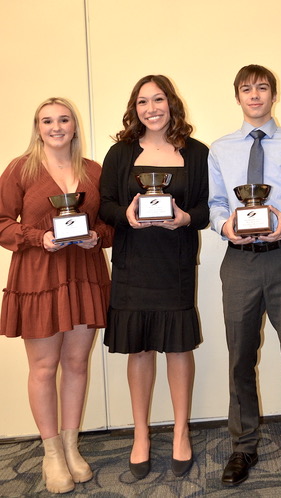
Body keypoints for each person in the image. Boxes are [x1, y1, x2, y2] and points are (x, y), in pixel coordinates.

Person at [208, 64, 281, 487]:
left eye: (262, 88)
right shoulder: (220, 149)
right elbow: (216, 203)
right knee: (239, 356)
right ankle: (243, 446)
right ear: (236, 96)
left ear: (274, 95)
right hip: (239, 263)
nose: (254, 95)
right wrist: (226, 227)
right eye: (246, 88)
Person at [0, 97, 112, 494]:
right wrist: (37, 237)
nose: (56, 127)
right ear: (37, 127)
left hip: (83, 273)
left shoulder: (94, 171)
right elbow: (0, 223)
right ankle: (51, 453)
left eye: (63, 119)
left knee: (77, 363)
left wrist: (97, 237)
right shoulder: (20, 169)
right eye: (47, 121)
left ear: (74, 126)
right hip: (38, 277)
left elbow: (109, 224)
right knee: (44, 367)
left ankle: (70, 446)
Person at [99, 74, 209, 480]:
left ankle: (181, 432)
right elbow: (105, 205)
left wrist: (184, 218)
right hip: (133, 263)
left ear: (171, 103)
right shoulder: (121, 152)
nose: (151, 108)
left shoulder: (196, 153)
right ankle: (140, 434)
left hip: (175, 264)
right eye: (143, 102)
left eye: (158, 99)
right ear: (135, 108)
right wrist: (125, 215)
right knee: (140, 349)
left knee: (179, 348)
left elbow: (206, 209)